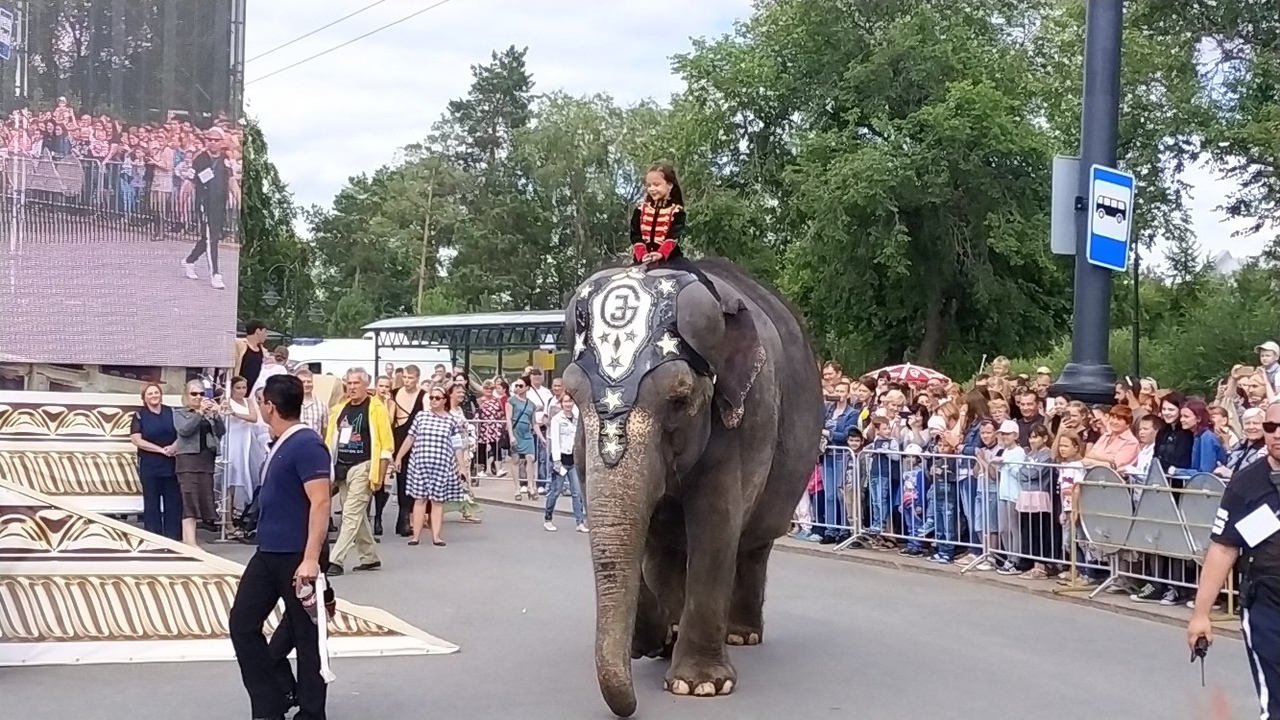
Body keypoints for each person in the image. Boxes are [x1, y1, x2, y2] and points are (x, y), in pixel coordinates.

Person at [229, 374, 334, 720]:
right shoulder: (281, 442)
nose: (259, 407)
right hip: (269, 551)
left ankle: (311, 710)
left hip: (297, 555)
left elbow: (320, 503)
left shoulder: (307, 444)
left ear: (271, 406)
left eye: (261, 402)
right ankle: (270, 699)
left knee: (306, 637)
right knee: (242, 624)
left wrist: (310, 559)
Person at [1187, 401, 1280, 719]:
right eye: (1271, 428)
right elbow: (1223, 549)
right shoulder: (1246, 483)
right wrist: (1201, 615)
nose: (1277, 434)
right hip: (1268, 604)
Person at [629, 161, 720, 300]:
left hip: (670, 258)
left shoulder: (677, 211)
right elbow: (635, 236)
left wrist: (660, 254)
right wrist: (643, 255)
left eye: (656, 185)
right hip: (642, 259)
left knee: (701, 280)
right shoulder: (640, 210)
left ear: (670, 185)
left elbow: (673, 237)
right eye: (649, 185)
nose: (652, 189)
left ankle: (718, 304)